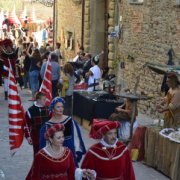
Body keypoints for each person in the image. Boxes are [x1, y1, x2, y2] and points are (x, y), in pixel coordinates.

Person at [26, 124, 95, 180]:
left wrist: (82, 173)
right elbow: (35, 176)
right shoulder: (41, 155)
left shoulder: (68, 152)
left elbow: (72, 171)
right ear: (50, 139)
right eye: (58, 138)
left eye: (63, 137)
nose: (62, 140)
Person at [40, 97, 86, 166]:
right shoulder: (47, 125)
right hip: (55, 154)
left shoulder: (69, 121)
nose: (61, 109)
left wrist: (77, 152)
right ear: (53, 109)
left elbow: (76, 137)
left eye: (62, 106)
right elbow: (45, 144)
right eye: (58, 107)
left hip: (70, 152)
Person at [25, 92, 50, 156]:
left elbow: (52, 122)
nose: (45, 101)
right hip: (36, 137)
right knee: (37, 154)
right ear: (38, 100)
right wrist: (28, 136)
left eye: (45, 99)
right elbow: (26, 125)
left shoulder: (48, 109)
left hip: (46, 137)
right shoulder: (30, 111)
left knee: (47, 155)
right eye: (44, 99)